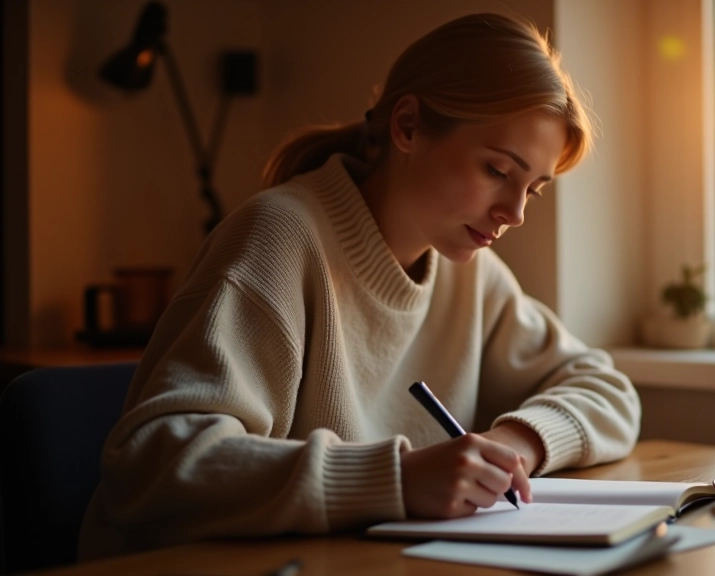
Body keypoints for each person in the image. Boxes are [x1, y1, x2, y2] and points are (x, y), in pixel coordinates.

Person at [78, 12, 640, 560]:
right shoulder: (278, 240)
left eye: (533, 189)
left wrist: (514, 445)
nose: (515, 213)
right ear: (408, 126)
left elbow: (607, 391)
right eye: (497, 171)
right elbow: (153, 467)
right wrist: (395, 478)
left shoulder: (471, 273)